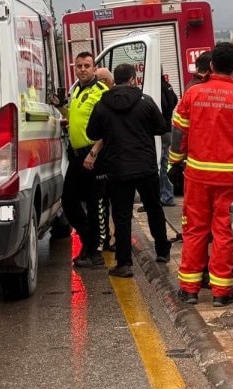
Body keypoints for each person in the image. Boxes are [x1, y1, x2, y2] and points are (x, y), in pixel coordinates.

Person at [169, 42, 233, 307]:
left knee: (194, 231)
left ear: (210, 65)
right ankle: (221, 293)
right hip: (230, 178)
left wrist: (175, 161)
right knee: (223, 233)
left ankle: (189, 290)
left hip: (197, 176)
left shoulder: (193, 93)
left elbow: (179, 134)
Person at [86, 63, 171, 278]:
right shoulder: (146, 102)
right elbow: (161, 127)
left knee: (122, 216)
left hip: (117, 169)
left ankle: (124, 263)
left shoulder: (102, 104)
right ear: (133, 79)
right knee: (154, 209)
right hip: (146, 166)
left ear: (115, 80)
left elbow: (92, 131)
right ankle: (162, 251)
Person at [64, 52, 109, 268]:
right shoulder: (76, 90)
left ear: (94, 68)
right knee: (68, 201)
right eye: (79, 66)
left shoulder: (100, 91)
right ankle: (87, 240)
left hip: (94, 155)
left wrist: (94, 151)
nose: (83, 69)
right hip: (76, 156)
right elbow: (77, 118)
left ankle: (96, 252)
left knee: (95, 204)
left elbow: (108, 126)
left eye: (87, 66)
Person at [86, 67, 115, 251]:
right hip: (95, 154)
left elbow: (105, 129)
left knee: (101, 200)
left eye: (99, 78)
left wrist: (94, 151)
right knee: (100, 199)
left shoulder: (104, 97)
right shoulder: (85, 92)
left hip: (101, 154)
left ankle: (104, 240)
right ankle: (103, 238)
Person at [159, 68, 179, 207]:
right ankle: (167, 194)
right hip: (168, 127)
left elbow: (164, 104)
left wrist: (161, 116)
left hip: (162, 130)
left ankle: (166, 195)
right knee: (164, 163)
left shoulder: (158, 87)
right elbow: (175, 100)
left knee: (161, 165)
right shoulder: (167, 85)